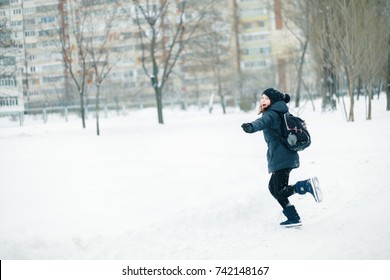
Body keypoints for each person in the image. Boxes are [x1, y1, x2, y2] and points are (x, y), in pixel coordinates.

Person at [241, 88, 322, 228]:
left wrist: (250, 126)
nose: (263, 101)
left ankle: (305, 185)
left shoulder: (271, 114)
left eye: (266, 98)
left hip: (281, 157)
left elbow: (260, 123)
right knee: (273, 188)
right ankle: (293, 217)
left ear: (273, 100)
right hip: (285, 155)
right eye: (262, 98)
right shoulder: (282, 111)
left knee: (278, 190)